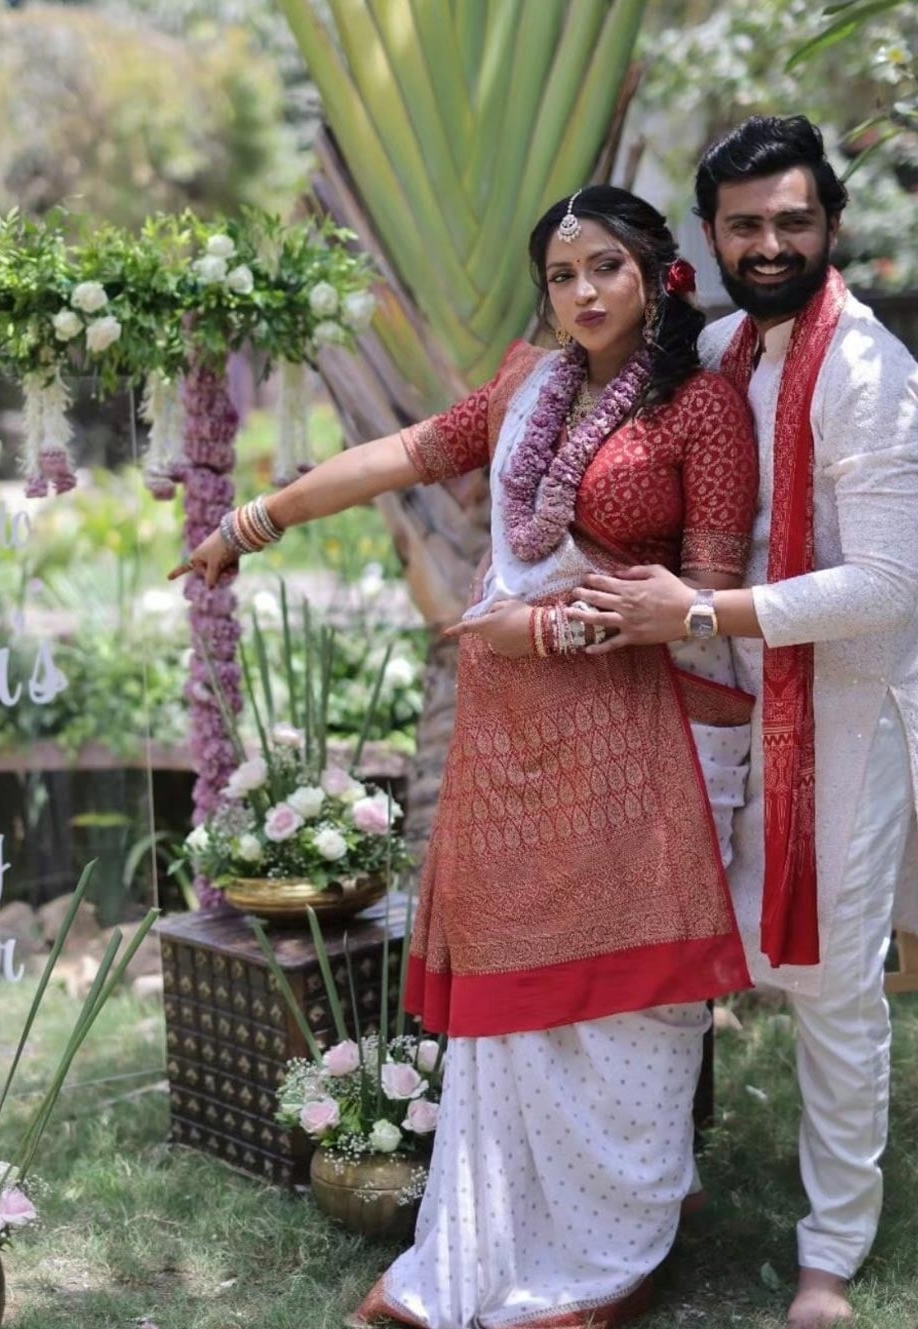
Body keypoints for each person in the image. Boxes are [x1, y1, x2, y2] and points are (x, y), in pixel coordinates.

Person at [172, 186, 759, 1328]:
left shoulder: (700, 410)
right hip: (512, 738)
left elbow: (706, 599)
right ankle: (483, 1241)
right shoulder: (526, 386)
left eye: (606, 267)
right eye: (562, 276)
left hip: (637, 729)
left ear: (656, 273)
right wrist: (255, 521)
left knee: (625, 997)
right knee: (516, 999)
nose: (583, 292)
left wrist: (549, 628)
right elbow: (402, 452)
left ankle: (610, 1249)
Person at [571, 118, 918, 1329]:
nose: (771, 244)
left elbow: (887, 584)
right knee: (670, 948)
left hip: (843, 718)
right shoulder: (717, 351)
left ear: (832, 226)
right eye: (746, 225)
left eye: (793, 222)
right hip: (713, 708)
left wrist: (698, 609)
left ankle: (830, 1255)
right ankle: (646, 1194)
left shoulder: (871, 374)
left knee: (829, 987)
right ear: (711, 239)